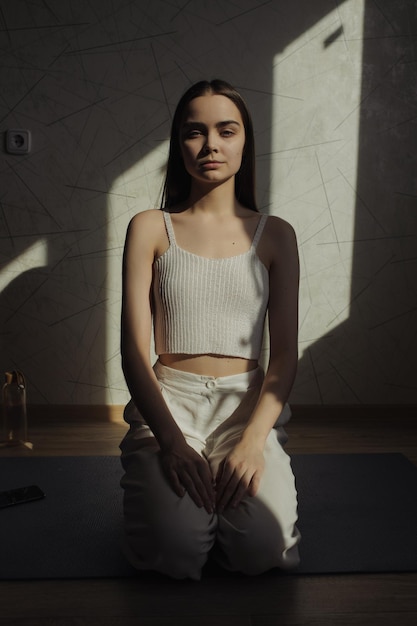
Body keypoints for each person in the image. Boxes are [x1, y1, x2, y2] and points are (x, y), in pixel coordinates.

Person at [119, 79, 301, 580]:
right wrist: (173, 443)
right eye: (194, 133)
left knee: (263, 553)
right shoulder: (150, 227)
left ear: (245, 141)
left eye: (227, 130)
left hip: (246, 407)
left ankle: (220, 510)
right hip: (170, 403)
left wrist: (253, 440)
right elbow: (134, 352)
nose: (211, 145)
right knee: (175, 556)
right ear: (180, 146)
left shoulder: (277, 235)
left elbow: (284, 355)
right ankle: (180, 509)